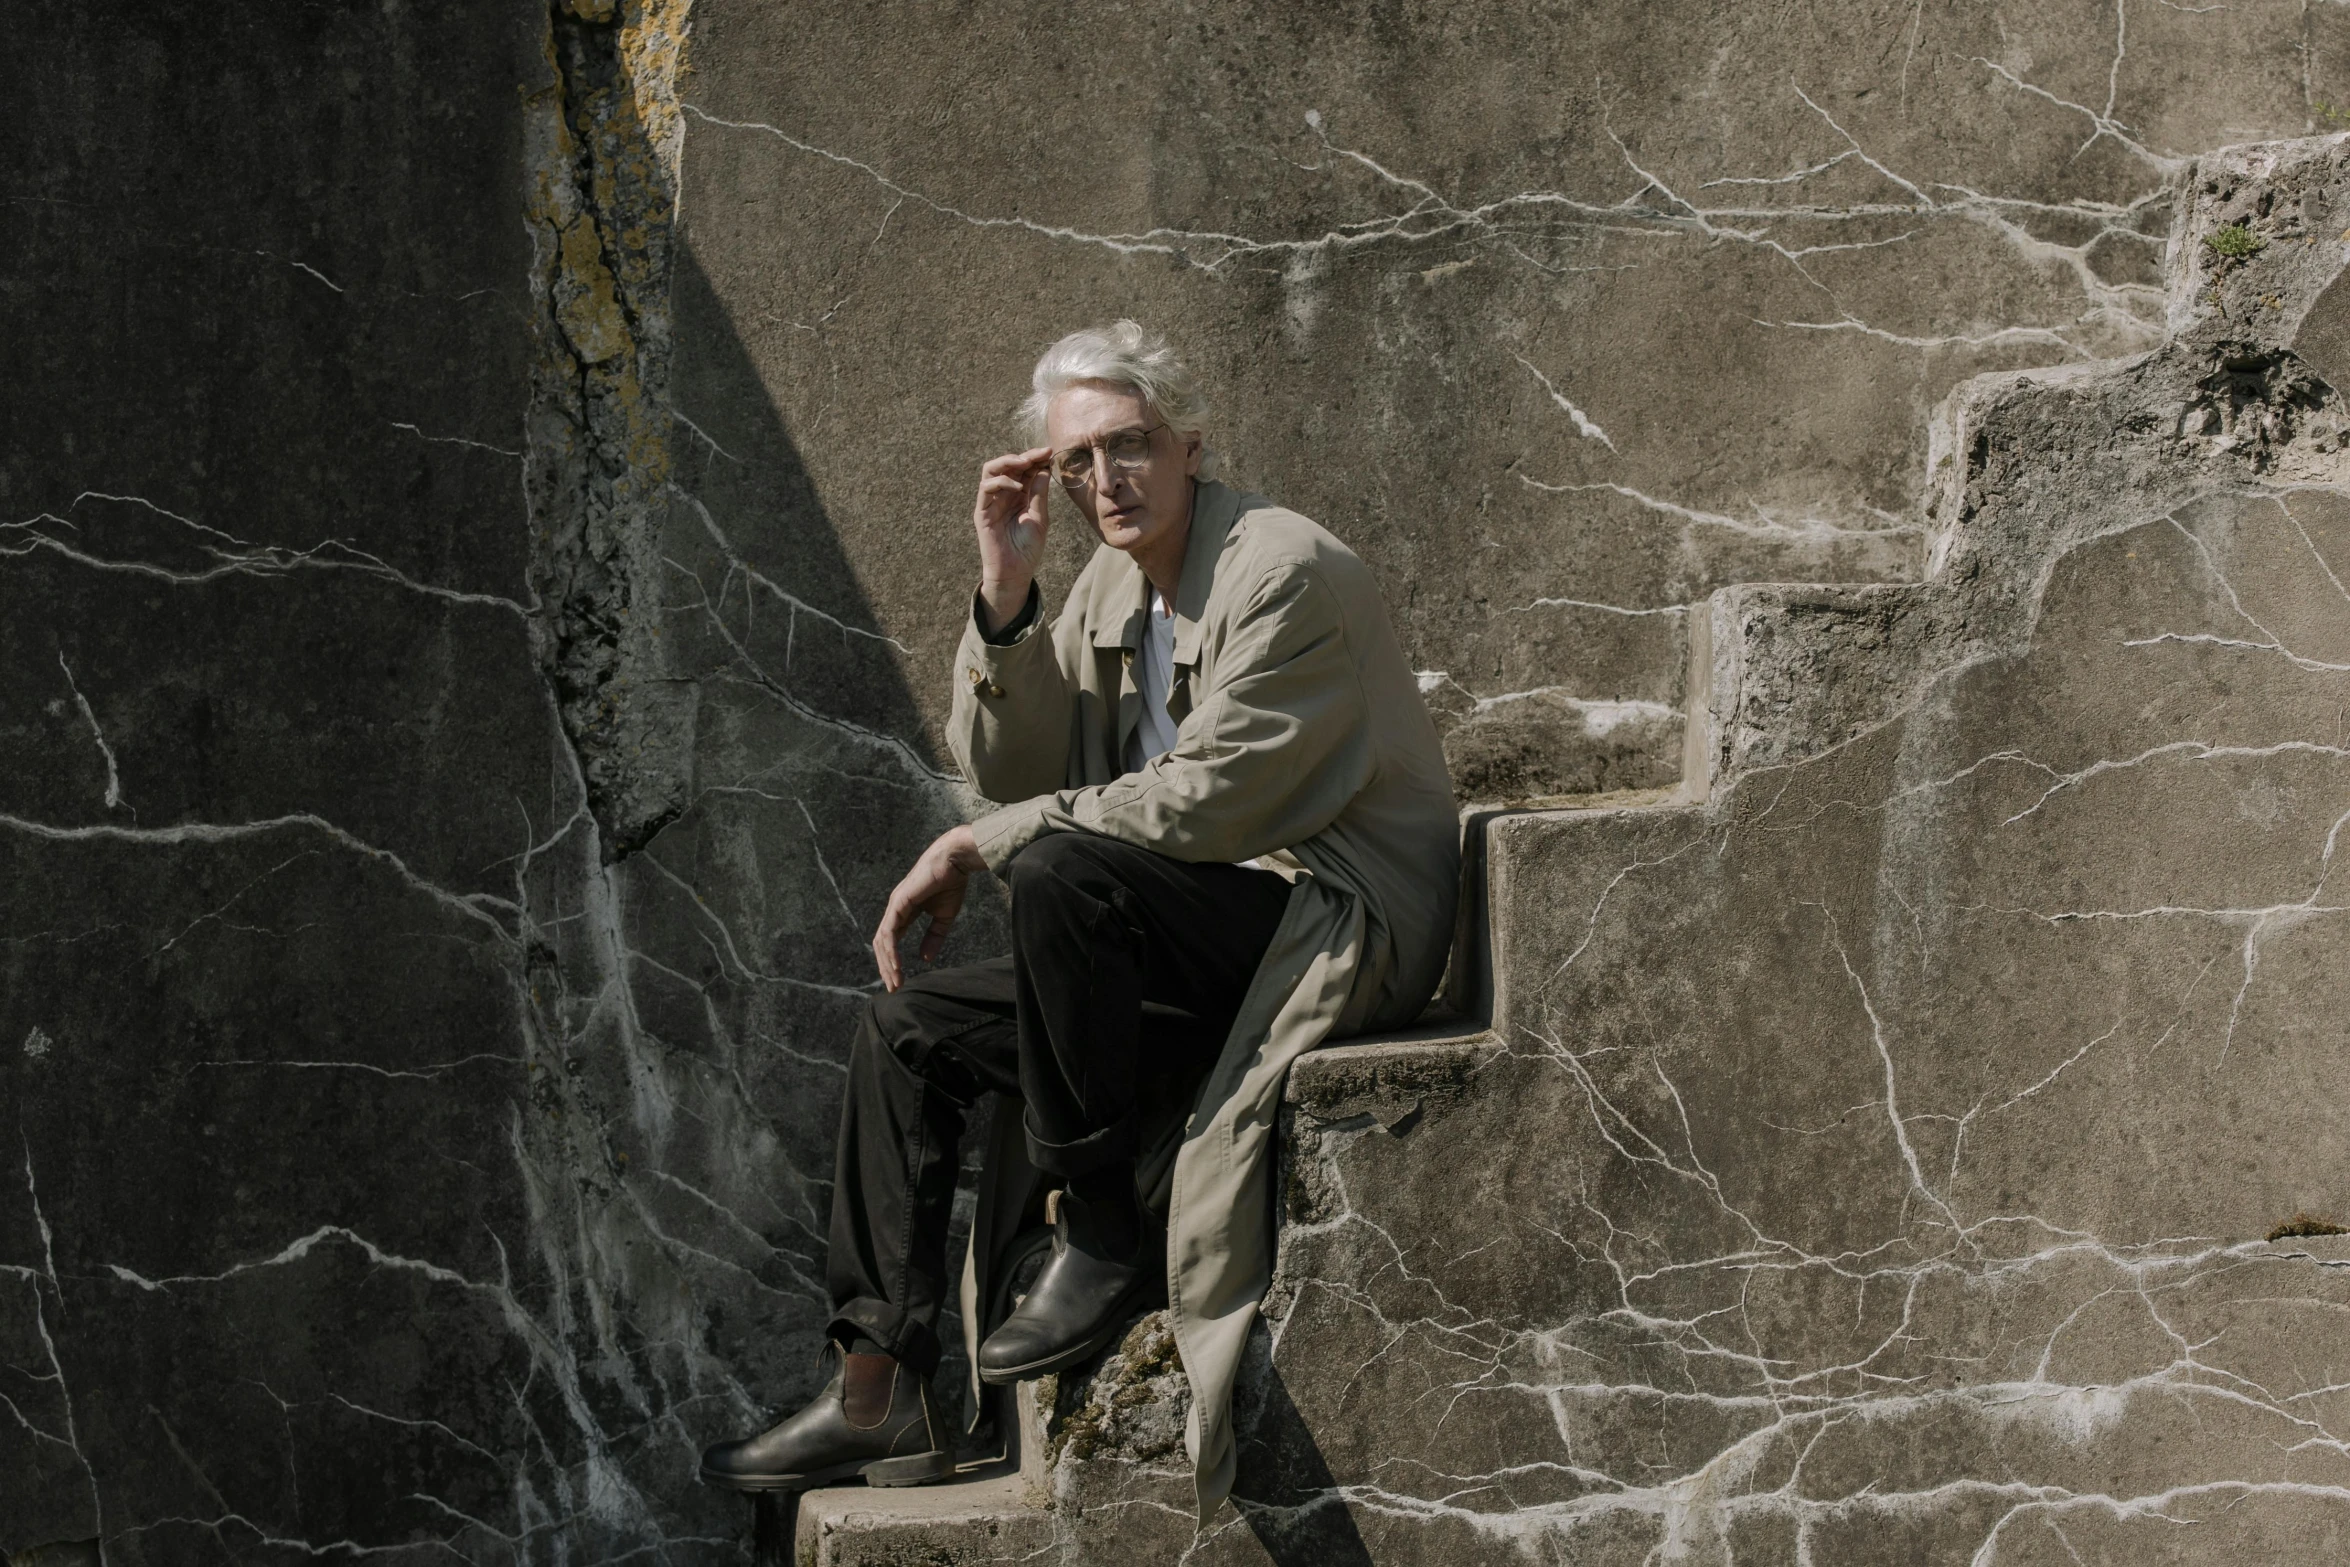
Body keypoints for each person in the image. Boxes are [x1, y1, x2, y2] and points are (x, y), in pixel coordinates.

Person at [699, 320, 1458, 1520]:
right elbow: (1017, 765)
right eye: (1077, 464)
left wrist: (971, 842)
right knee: (908, 1027)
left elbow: (1209, 802)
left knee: (1059, 870)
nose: (1105, 480)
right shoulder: (1114, 582)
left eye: (1130, 447)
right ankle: (872, 1384)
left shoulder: (1283, 569)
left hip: (1324, 920)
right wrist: (1006, 598)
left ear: (1188, 444)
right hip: (1175, 922)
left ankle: (1102, 1232)